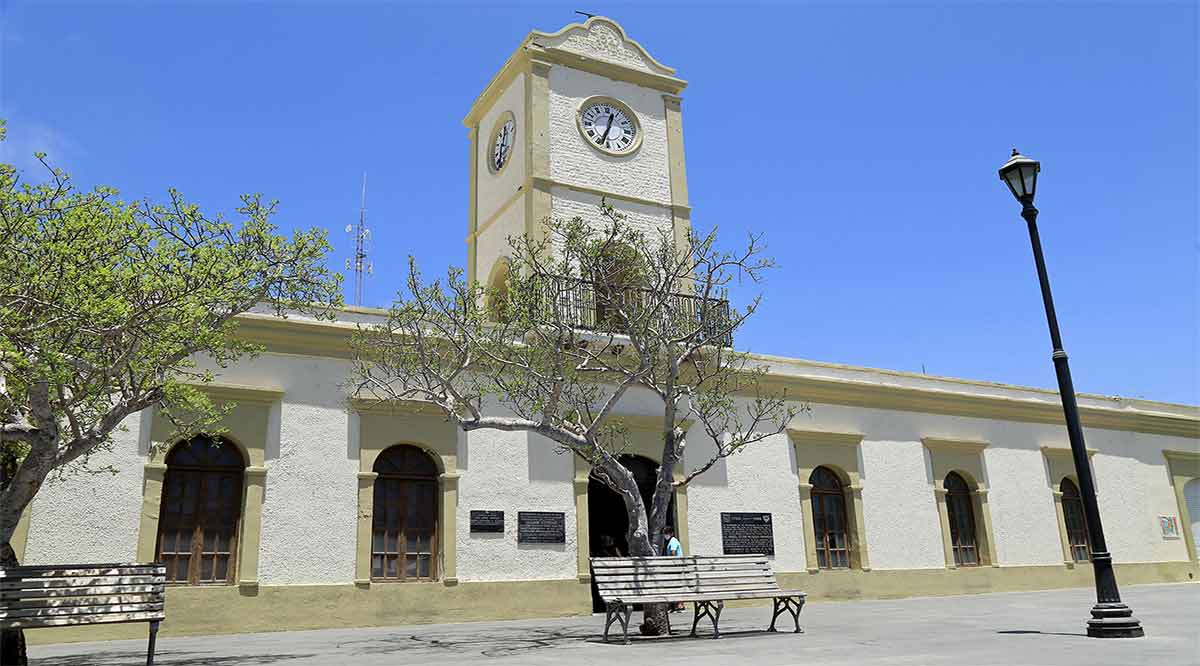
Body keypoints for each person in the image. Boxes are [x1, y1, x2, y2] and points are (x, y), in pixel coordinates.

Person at [663, 526, 685, 612]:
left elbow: (673, 552)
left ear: (671, 533)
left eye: (667, 533)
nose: (665, 535)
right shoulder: (671, 541)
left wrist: (670, 564)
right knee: (675, 585)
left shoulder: (673, 541)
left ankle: (679, 604)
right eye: (665, 533)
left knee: (677, 585)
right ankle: (675, 605)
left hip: (676, 567)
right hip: (676, 567)